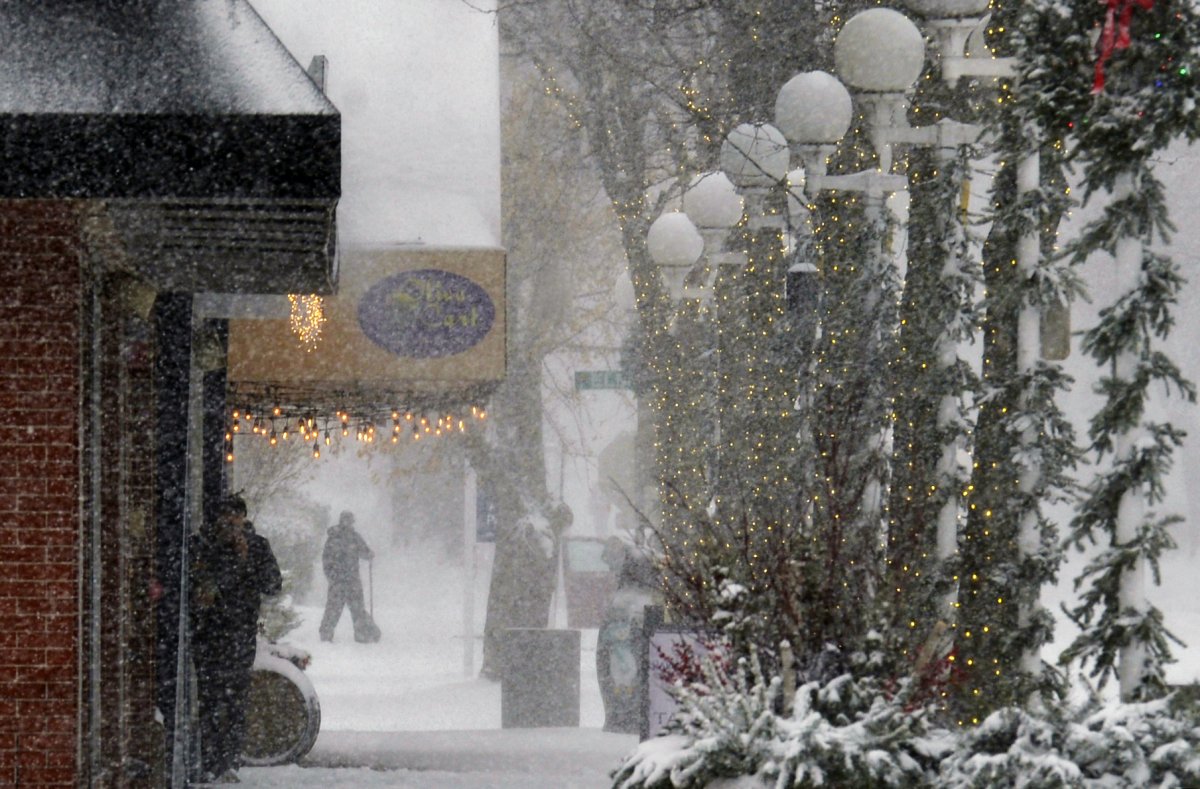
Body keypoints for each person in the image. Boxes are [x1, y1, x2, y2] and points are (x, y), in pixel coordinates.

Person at [190, 494, 282, 783]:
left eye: (236, 517)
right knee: (209, 699)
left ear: (244, 519)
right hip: (208, 634)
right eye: (225, 517)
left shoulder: (257, 546)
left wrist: (248, 562)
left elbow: (273, 584)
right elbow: (195, 584)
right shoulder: (202, 546)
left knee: (235, 700)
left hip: (239, 635)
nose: (231, 523)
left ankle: (229, 760)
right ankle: (209, 760)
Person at [319, 510, 381, 643]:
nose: (348, 523)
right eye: (346, 520)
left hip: (352, 580)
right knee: (334, 609)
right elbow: (326, 560)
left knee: (356, 608)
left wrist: (369, 554)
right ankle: (326, 636)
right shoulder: (334, 538)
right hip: (340, 580)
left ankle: (361, 635)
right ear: (342, 521)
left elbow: (364, 551)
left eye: (350, 521)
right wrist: (332, 576)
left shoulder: (354, 537)